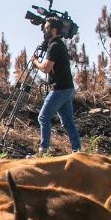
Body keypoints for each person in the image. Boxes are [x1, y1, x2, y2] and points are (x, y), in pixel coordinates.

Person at [32, 17, 80, 153]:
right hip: (67, 88)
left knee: (43, 117)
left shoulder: (54, 46)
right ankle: (77, 150)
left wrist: (35, 61)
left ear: (53, 30)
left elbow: (46, 68)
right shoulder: (58, 44)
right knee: (67, 122)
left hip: (59, 89)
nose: (43, 30)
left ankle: (43, 150)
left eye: (46, 28)